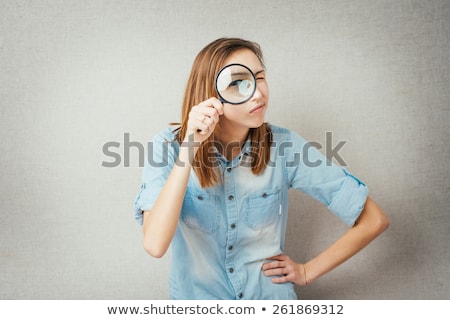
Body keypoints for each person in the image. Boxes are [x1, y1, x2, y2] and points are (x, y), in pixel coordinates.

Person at [134, 37, 389, 300]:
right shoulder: (166, 147)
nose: (257, 93)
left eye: (260, 77)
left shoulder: (285, 146)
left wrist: (306, 271)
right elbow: (154, 244)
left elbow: (374, 219)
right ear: (210, 96)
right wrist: (191, 146)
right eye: (237, 83)